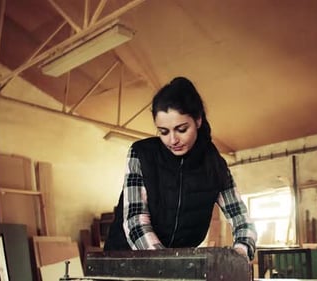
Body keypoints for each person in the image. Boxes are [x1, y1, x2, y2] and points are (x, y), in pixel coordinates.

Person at [104, 76, 257, 261]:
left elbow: (242, 220)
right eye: (164, 132)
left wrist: (240, 252)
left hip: (176, 265)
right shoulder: (142, 154)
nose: (172, 140)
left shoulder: (214, 165)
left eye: (181, 129)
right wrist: (167, 264)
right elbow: (136, 223)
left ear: (198, 120)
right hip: (125, 261)